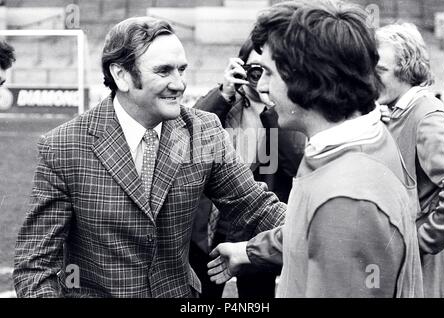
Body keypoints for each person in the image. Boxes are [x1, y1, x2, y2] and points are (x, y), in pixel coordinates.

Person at [13, 16, 286, 298]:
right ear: (121, 75)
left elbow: (256, 208)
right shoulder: (64, 146)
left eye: (182, 70)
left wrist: (315, 221)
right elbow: (36, 266)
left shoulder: (204, 131)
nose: (179, 84)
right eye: (164, 71)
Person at [207, 0, 424, 298]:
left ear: (307, 78)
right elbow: (312, 232)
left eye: (269, 72)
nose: (263, 86)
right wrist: (250, 251)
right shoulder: (353, 143)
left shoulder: (349, 200)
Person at [190, 37, 305, 298]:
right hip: (213, 225)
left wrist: (271, 106)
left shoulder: (288, 110)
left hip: (260, 229)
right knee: (202, 296)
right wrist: (224, 93)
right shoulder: (224, 101)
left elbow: (296, 161)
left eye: (269, 69)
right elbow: (190, 137)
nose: (260, 77)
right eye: (255, 68)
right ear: (241, 67)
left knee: (257, 298)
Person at [376, 23, 444, 298]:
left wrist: (419, 241)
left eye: (379, 70)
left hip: (425, 271)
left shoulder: (427, 116)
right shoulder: (394, 111)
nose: (370, 79)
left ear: (407, 69)